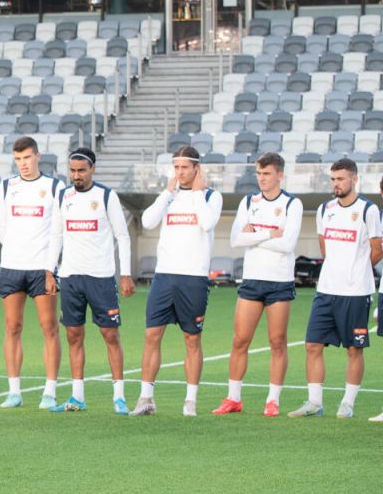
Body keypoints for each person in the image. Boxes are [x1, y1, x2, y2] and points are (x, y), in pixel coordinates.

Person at [132, 145, 223, 417]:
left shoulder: (210, 197)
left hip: (193, 277)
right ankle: (146, 398)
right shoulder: (169, 196)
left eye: (185, 167)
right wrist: (166, 192)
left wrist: (196, 192)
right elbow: (147, 222)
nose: (180, 172)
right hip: (165, 275)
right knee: (152, 335)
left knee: (191, 339)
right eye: (176, 167)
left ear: (197, 168)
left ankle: (190, 401)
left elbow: (206, 223)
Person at [290, 159, 381, 419]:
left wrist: (358, 270)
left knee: (354, 349)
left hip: (355, 292)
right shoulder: (324, 209)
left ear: (354, 179)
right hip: (327, 290)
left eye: (340, 179)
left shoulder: (368, 210)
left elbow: (377, 249)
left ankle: (348, 403)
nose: (336, 184)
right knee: (313, 344)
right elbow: (324, 245)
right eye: (333, 179)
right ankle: (314, 402)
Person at [45, 148, 134, 415]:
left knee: (110, 335)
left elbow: (123, 236)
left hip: (101, 277)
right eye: (72, 170)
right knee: (73, 335)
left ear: (92, 169)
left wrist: (126, 274)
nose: (76, 175)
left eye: (81, 170)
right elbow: (56, 236)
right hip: (71, 276)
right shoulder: (64, 196)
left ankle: (119, 396)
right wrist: (49, 271)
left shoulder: (106, 196)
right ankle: (77, 396)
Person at [214, 152, 302, 417]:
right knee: (240, 340)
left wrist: (253, 235)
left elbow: (288, 245)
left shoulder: (292, 204)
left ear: (279, 175)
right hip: (252, 280)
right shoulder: (248, 202)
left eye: (266, 174)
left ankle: (272, 400)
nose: (262, 179)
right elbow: (235, 240)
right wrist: (267, 234)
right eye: (259, 174)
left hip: (279, 282)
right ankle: (233, 398)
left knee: (277, 342)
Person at [0, 136, 63, 410]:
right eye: (18, 159)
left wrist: (50, 266)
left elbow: (58, 230)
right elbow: (1, 226)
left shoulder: (54, 187)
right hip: (12, 266)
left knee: (49, 327)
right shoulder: (7, 186)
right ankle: (14, 391)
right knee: (12, 327)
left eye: (27, 158)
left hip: (42, 268)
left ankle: (50, 391)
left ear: (37, 156)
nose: (23, 164)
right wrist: (16, 248)